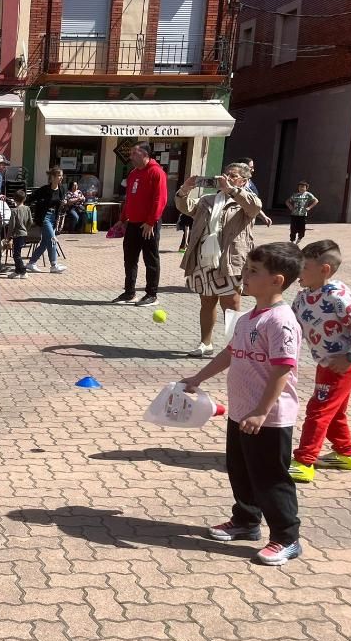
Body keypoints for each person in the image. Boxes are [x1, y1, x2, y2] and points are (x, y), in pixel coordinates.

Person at [180, 242, 304, 566]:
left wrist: (262, 410)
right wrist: (198, 378)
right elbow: (230, 353)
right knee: (241, 470)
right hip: (241, 412)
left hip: (269, 418)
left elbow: (282, 369)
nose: (244, 276)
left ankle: (287, 538)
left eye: (252, 271)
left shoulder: (281, 321)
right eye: (246, 269)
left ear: (276, 280)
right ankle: (246, 521)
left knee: (270, 477)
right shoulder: (248, 318)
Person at [288, 240, 351, 484]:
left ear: (324, 269)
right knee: (333, 411)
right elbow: (292, 326)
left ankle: (304, 461)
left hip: (344, 365)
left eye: (304, 267)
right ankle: (346, 454)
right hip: (326, 363)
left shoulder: (338, 296)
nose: (299, 271)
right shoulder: (302, 297)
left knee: (318, 409)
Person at [175, 162, 262, 358]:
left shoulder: (246, 201)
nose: (227, 178)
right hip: (204, 259)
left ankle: (235, 346)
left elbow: (255, 207)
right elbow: (185, 207)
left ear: (244, 181)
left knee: (231, 304)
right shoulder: (208, 200)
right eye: (226, 174)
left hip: (229, 260)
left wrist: (231, 190)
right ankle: (205, 343)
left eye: (233, 175)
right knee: (207, 301)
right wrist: (185, 188)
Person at [113, 142, 167, 307]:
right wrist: (123, 219)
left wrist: (151, 222)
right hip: (133, 223)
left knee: (150, 259)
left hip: (148, 225)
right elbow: (129, 198)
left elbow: (160, 199)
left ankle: (151, 294)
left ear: (144, 154)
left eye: (134, 154)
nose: (131, 157)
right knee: (129, 258)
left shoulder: (156, 172)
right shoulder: (133, 173)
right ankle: (129, 292)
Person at [25, 168, 69, 274]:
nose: (61, 178)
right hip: (45, 217)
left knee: (45, 243)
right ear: (52, 177)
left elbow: (62, 202)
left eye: (62, 175)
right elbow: (30, 198)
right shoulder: (44, 189)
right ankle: (54, 265)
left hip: (54, 217)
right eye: (59, 175)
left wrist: (64, 203)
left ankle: (31, 263)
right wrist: (20, 203)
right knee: (52, 239)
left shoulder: (62, 189)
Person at [232, 157, 273, 228]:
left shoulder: (250, 184)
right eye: (251, 167)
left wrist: (263, 216)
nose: (253, 170)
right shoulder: (232, 184)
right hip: (234, 220)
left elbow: (253, 203)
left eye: (253, 167)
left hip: (247, 222)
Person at [6, 190, 33, 279]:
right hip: (24, 233)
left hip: (17, 234)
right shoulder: (27, 209)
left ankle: (23, 271)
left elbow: (12, 225)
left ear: (14, 199)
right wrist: (26, 229)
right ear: (24, 199)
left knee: (16, 254)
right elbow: (30, 221)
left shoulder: (14, 211)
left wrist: (8, 236)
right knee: (18, 253)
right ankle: (17, 271)